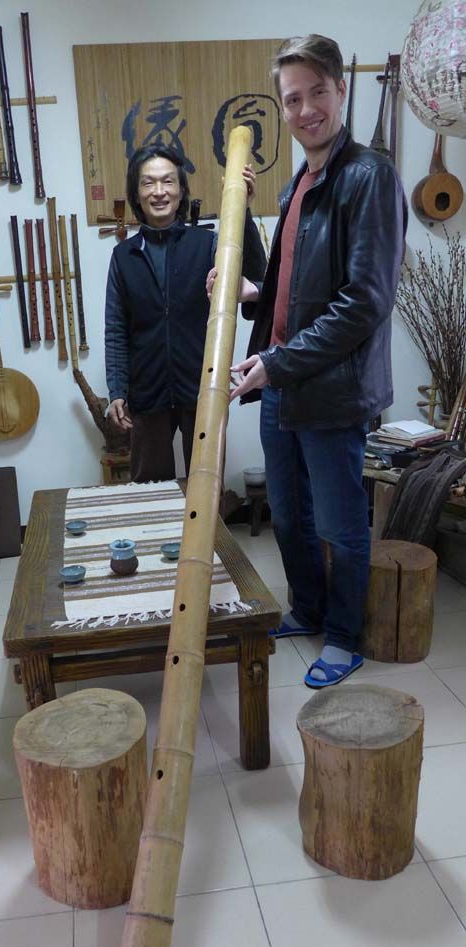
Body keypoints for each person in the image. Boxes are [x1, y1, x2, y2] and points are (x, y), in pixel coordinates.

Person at [223, 34, 407, 689]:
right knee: (289, 512)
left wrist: (278, 363)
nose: (305, 110)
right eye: (292, 99)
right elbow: (298, 280)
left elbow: (363, 303)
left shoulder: (369, 176)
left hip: (330, 389)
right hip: (284, 381)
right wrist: (255, 294)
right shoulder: (299, 182)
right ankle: (306, 609)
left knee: (338, 520)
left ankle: (345, 635)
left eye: (317, 93)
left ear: (341, 90)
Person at [105, 143, 266, 482]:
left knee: (206, 489)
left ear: (181, 191)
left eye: (168, 181)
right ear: (136, 193)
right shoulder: (123, 256)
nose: (159, 191)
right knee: (150, 492)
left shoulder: (206, 244)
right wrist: (117, 390)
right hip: (147, 391)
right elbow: (116, 328)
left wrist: (244, 208)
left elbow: (258, 281)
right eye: (148, 183)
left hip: (203, 386)